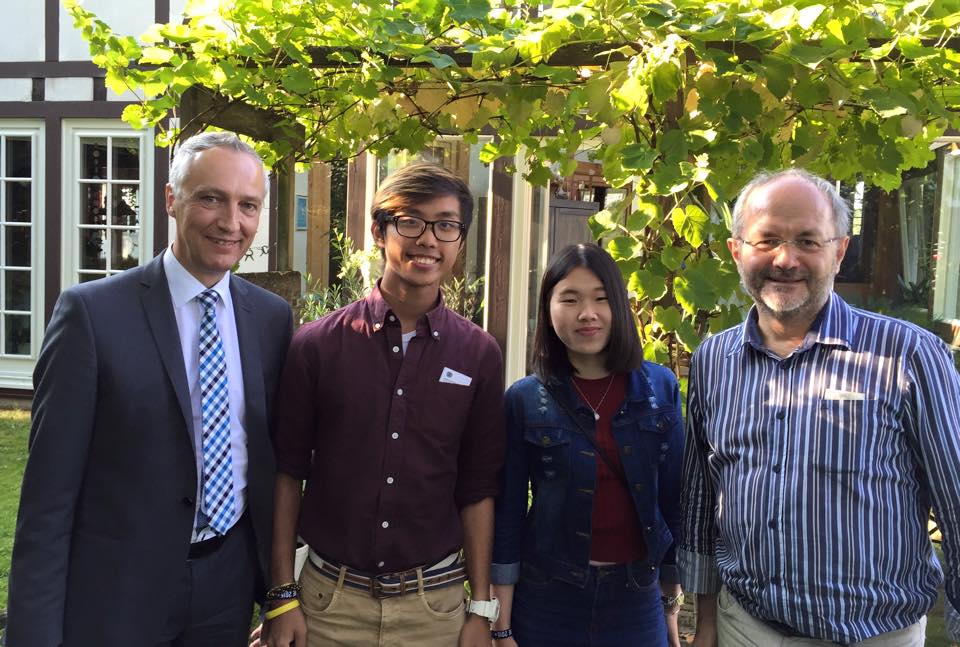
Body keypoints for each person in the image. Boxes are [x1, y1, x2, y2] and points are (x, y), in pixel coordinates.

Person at [6, 131, 293, 647]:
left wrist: (277, 591)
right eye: (211, 198)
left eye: (248, 205)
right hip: (117, 595)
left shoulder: (271, 319)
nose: (232, 222)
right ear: (170, 199)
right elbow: (48, 501)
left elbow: (268, 463)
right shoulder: (92, 315)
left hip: (225, 591)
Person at [679, 168, 960, 646]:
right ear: (736, 250)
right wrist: (704, 622)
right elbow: (703, 500)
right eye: (766, 239)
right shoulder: (714, 360)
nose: (785, 259)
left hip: (874, 636)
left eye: (808, 241)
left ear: (840, 251)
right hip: (744, 628)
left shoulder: (908, 356)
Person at [261, 162, 505, 647]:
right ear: (378, 231)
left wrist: (481, 607)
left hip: (433, 610)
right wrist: (282, 595)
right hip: (329, 605)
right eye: (409, 221)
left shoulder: (478, 354)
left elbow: (478, 489)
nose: (428, 239)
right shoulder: (316, 346)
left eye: (446, 225)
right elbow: (289, 473)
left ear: (459, 240)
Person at [491, 243, 685, 647]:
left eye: (600, 298)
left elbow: (672, 500)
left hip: (636, 597)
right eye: (570, 299)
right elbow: (508, 512)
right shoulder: (525, 399)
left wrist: (670, 604)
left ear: (617, 305)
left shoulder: (660, 387)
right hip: (547, 597)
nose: (587, 314)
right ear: (548, 308)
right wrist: (502, 623)